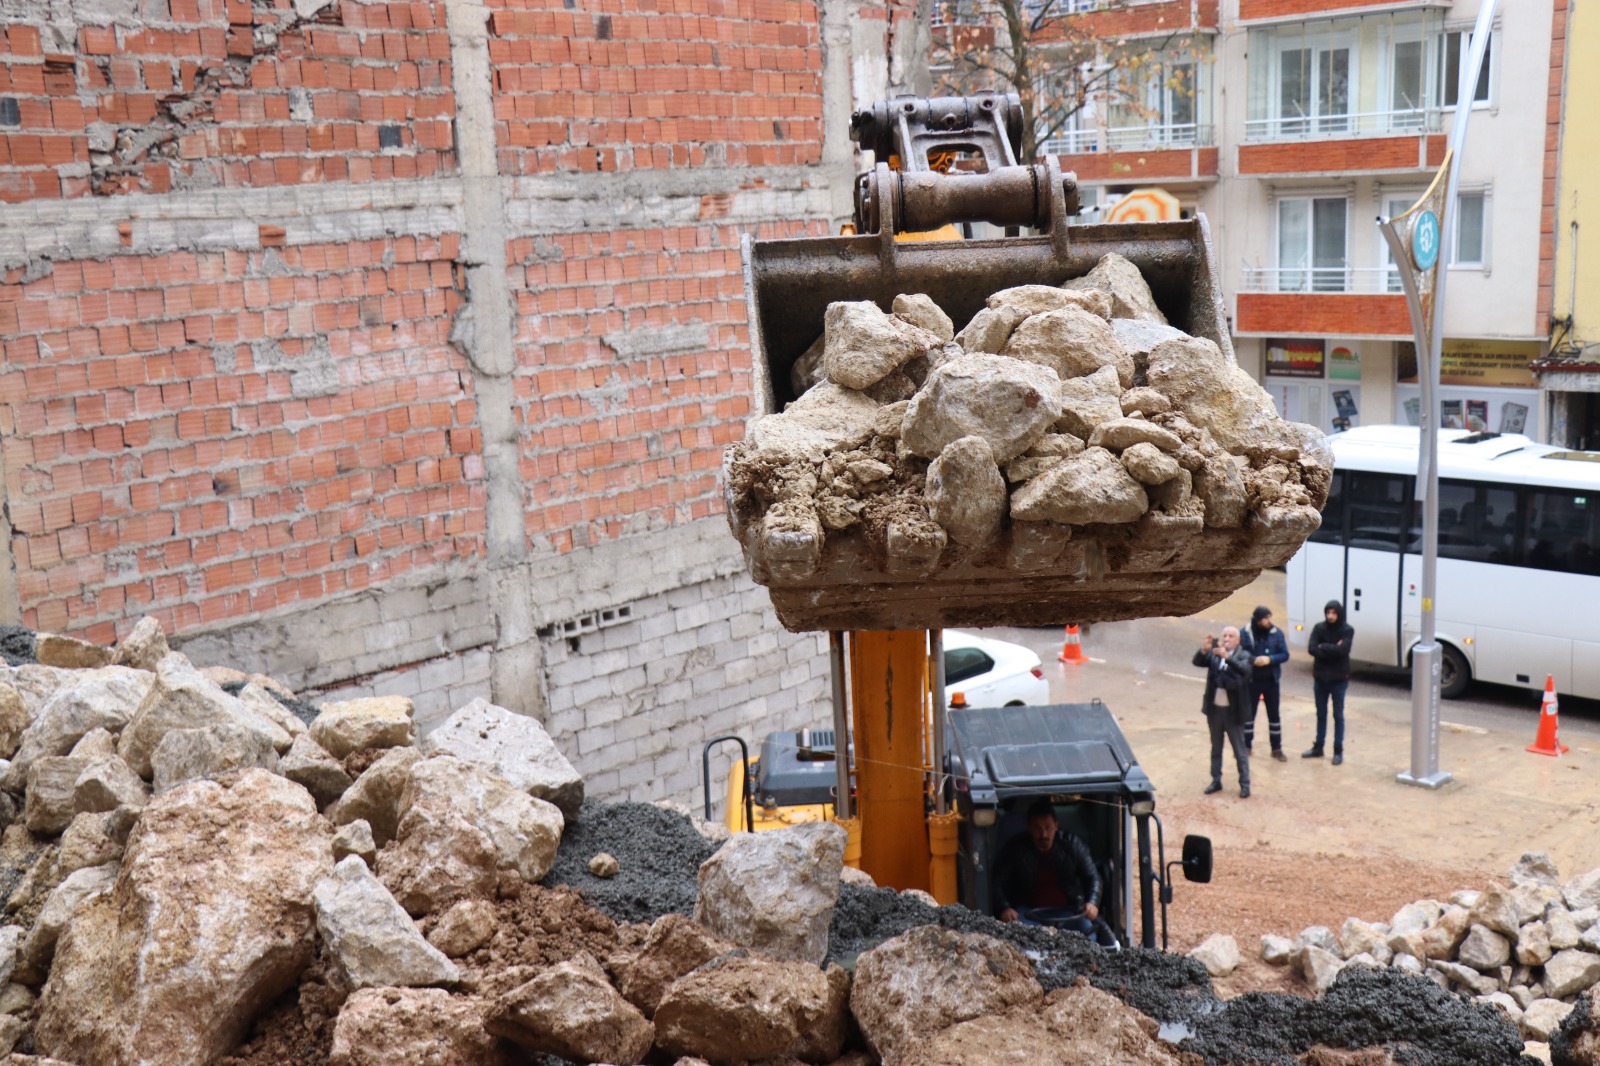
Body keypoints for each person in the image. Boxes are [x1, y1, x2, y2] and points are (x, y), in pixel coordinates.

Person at [993, 797, 1101, 936]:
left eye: (1048, 828)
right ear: (1029, 827)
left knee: (1090, 938)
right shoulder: (1016, 849)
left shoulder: (1072, 844)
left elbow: (1093, 876)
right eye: (1038, 829)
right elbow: (997, 881)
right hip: (1028, 913)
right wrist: (1005, 908)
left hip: (1069, 911)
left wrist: (1092, 902)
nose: (1043, 834)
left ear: (1056, 826)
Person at [1193, 625, 1253, 798]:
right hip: (1215, 710)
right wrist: (1204, 650)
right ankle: (1216, 780)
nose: (1227, 638)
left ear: (1238, 640)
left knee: (1239, 750)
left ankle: (1245, 784)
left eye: (1231, 636)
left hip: (1234, 712)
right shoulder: (1214, 654)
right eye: (1225, 635)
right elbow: (1197, 661)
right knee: (1216, 748)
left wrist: (1228, 658)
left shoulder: (1244, 655)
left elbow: (1246, 671)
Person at [1305, 600, 1354, 764]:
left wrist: (1323, 647)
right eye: (1328, 613)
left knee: (1338, 714)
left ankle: (1338, 749)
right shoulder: (1319, 628)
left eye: (1334, 613)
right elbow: (1312, 648)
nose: (1330, 616)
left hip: (1339, 679)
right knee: (1321, 713)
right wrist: (1332, 647)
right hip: (1321, 678)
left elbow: (1343, 651)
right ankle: (1318, 746)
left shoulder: (1347, 630)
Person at [1239, 605, 1290, 761]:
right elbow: (1239, 653)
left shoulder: (1277, 633)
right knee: (1249, 715)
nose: (1268, 621)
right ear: (1258, 619)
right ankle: (1246, 746)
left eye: (1269, 617)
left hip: (1271, 681)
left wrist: (1270, 659)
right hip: (1252, 681)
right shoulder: (1245, 633)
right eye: (1265, 618)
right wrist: (1253, 660)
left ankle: (1276, 748)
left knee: (1274, 715)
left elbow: (1285, 654)